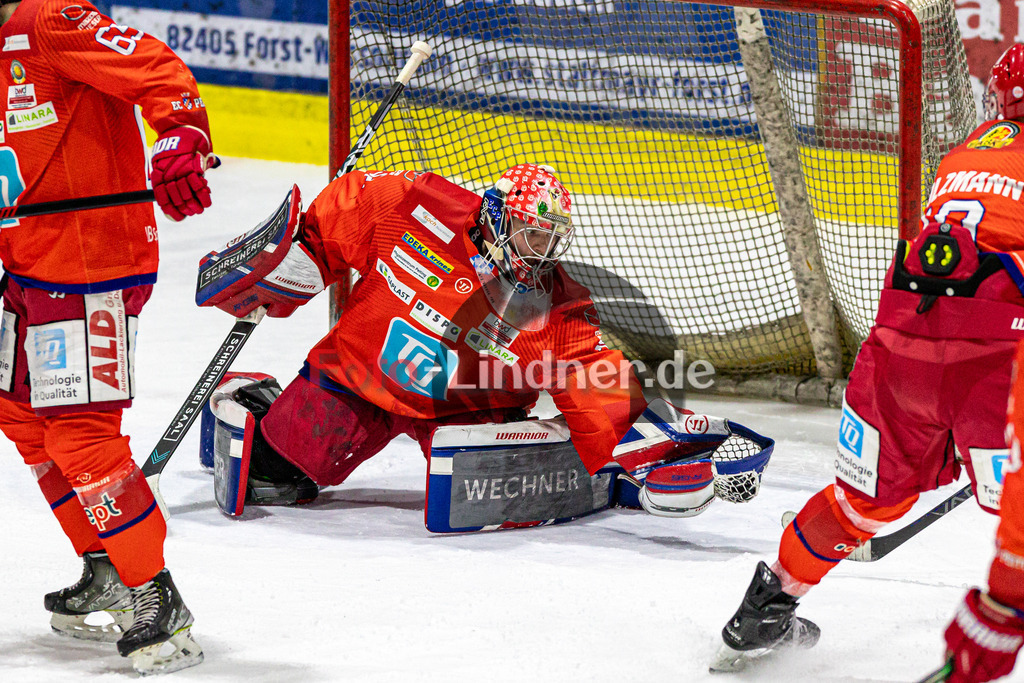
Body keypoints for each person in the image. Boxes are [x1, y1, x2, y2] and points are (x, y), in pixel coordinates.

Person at [711, 43, 1024, 673]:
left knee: (863, 501)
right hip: (1000, 361)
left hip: (901, 343)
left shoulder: (966, 154)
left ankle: (766, 609)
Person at [197, 163, 660, 512]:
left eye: (549, 239)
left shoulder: (556, 303)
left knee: (490, 498)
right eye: (530, 235)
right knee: (277, 480)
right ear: (497, 218)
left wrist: (652, 455)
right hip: (360, 374)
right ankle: (259, 402)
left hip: (468, 408)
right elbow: (333, 224)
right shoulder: (414, 205)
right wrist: (295, 263)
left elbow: (594, 383)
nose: (540, 252)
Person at [0, 0, 215, 675]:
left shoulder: (50, 19)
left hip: (90, 263)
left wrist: (181, 132)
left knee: (79, 434)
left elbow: (157, 66)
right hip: (28, 263)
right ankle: (107, 565)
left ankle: (153, 592)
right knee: (21, 417)